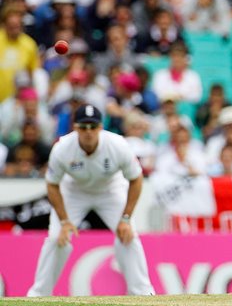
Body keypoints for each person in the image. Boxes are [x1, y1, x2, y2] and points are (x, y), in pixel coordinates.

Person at [27, 105, 154, 297]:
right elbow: (52, 184)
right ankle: (38, 295)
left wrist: (126, 218)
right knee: (56, 238)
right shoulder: (62, 148)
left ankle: (143, 294)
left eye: (93, 127)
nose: (88, 132)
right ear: (75, 128)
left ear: (101, 127)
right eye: (83, 127)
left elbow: (136, 179)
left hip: (110, 190)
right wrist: (64, 221)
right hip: (74, 191)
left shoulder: (117, 145)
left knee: (128, 235)